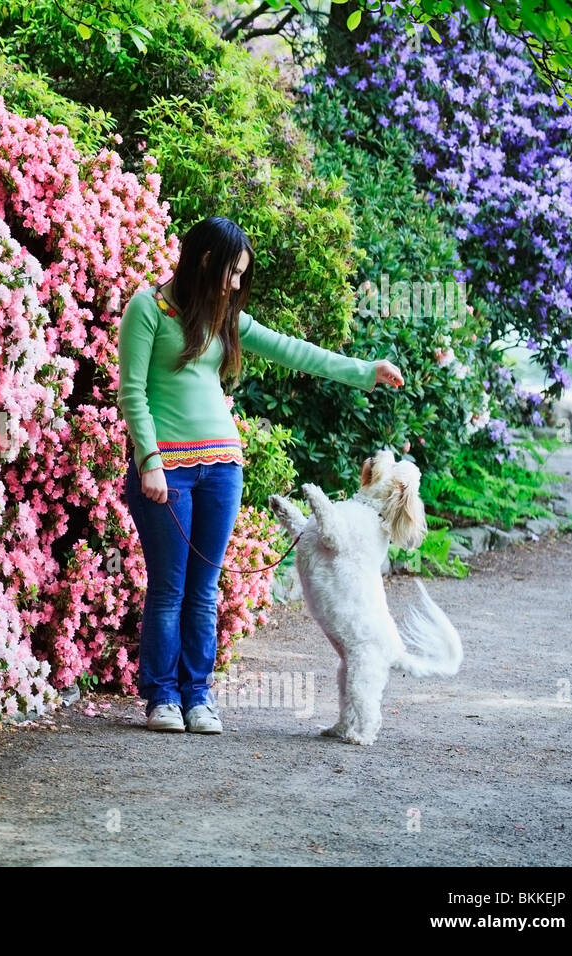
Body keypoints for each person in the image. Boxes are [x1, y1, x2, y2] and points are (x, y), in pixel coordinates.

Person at [117, 216, 405, 734]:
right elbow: (132, 392)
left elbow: (293, 350)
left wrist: (366, 371)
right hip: (166, 471)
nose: (234, 284)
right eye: (232, 273)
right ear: (205, 260)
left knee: (204, 591)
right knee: (168, 589)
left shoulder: (222, 316)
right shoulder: (148, 308)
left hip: (222, 466)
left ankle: (198, 698)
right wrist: (149, 460)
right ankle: (162, 698)